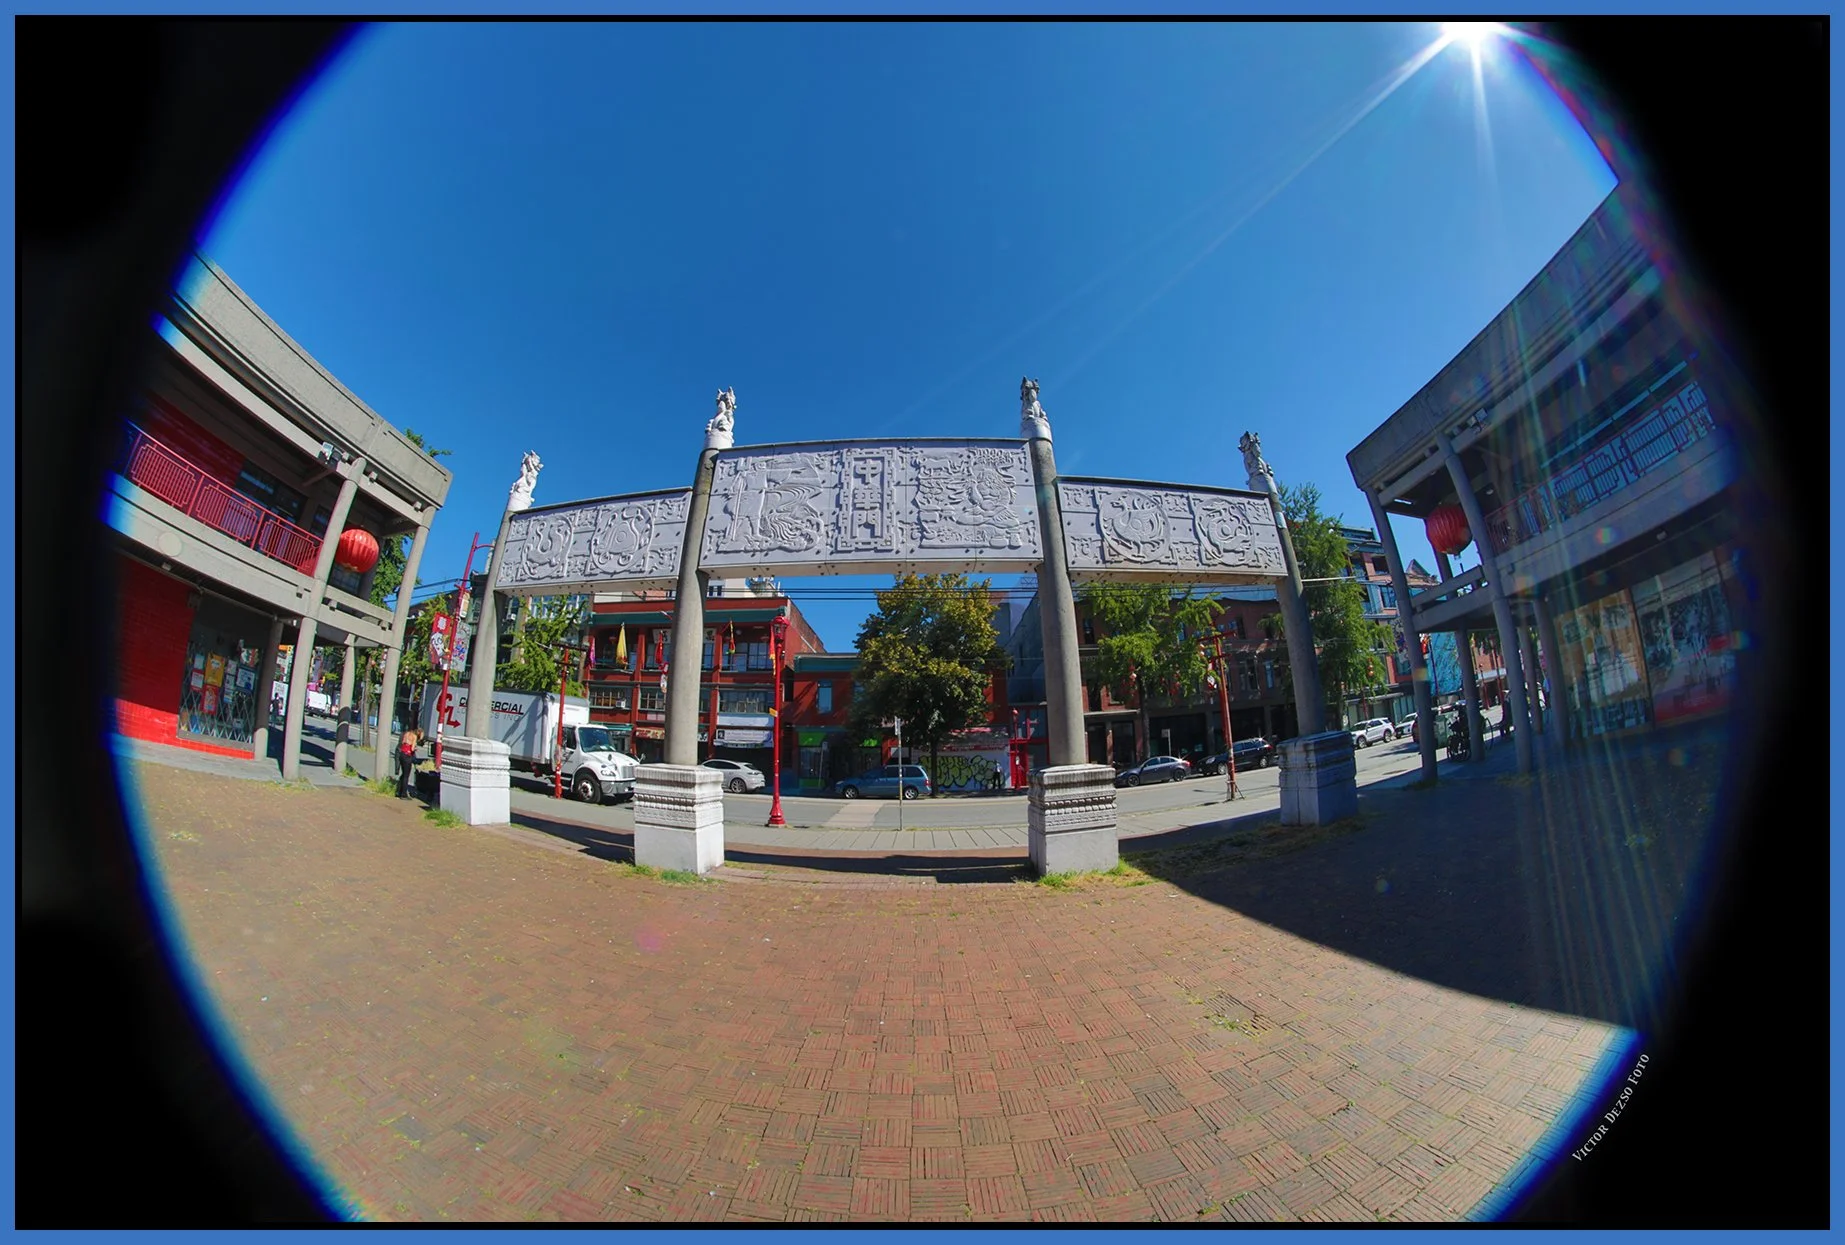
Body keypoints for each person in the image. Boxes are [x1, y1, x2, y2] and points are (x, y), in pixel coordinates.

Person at [396, 727, 420, 799]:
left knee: (403, 774)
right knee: (406, 776)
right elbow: (412, 749)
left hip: (402, 754)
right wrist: (415, 748)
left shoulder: (406, 734)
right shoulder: (414, 737)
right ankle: (404, 794)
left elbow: (403, 742)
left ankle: (399, 791)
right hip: (407, 756)